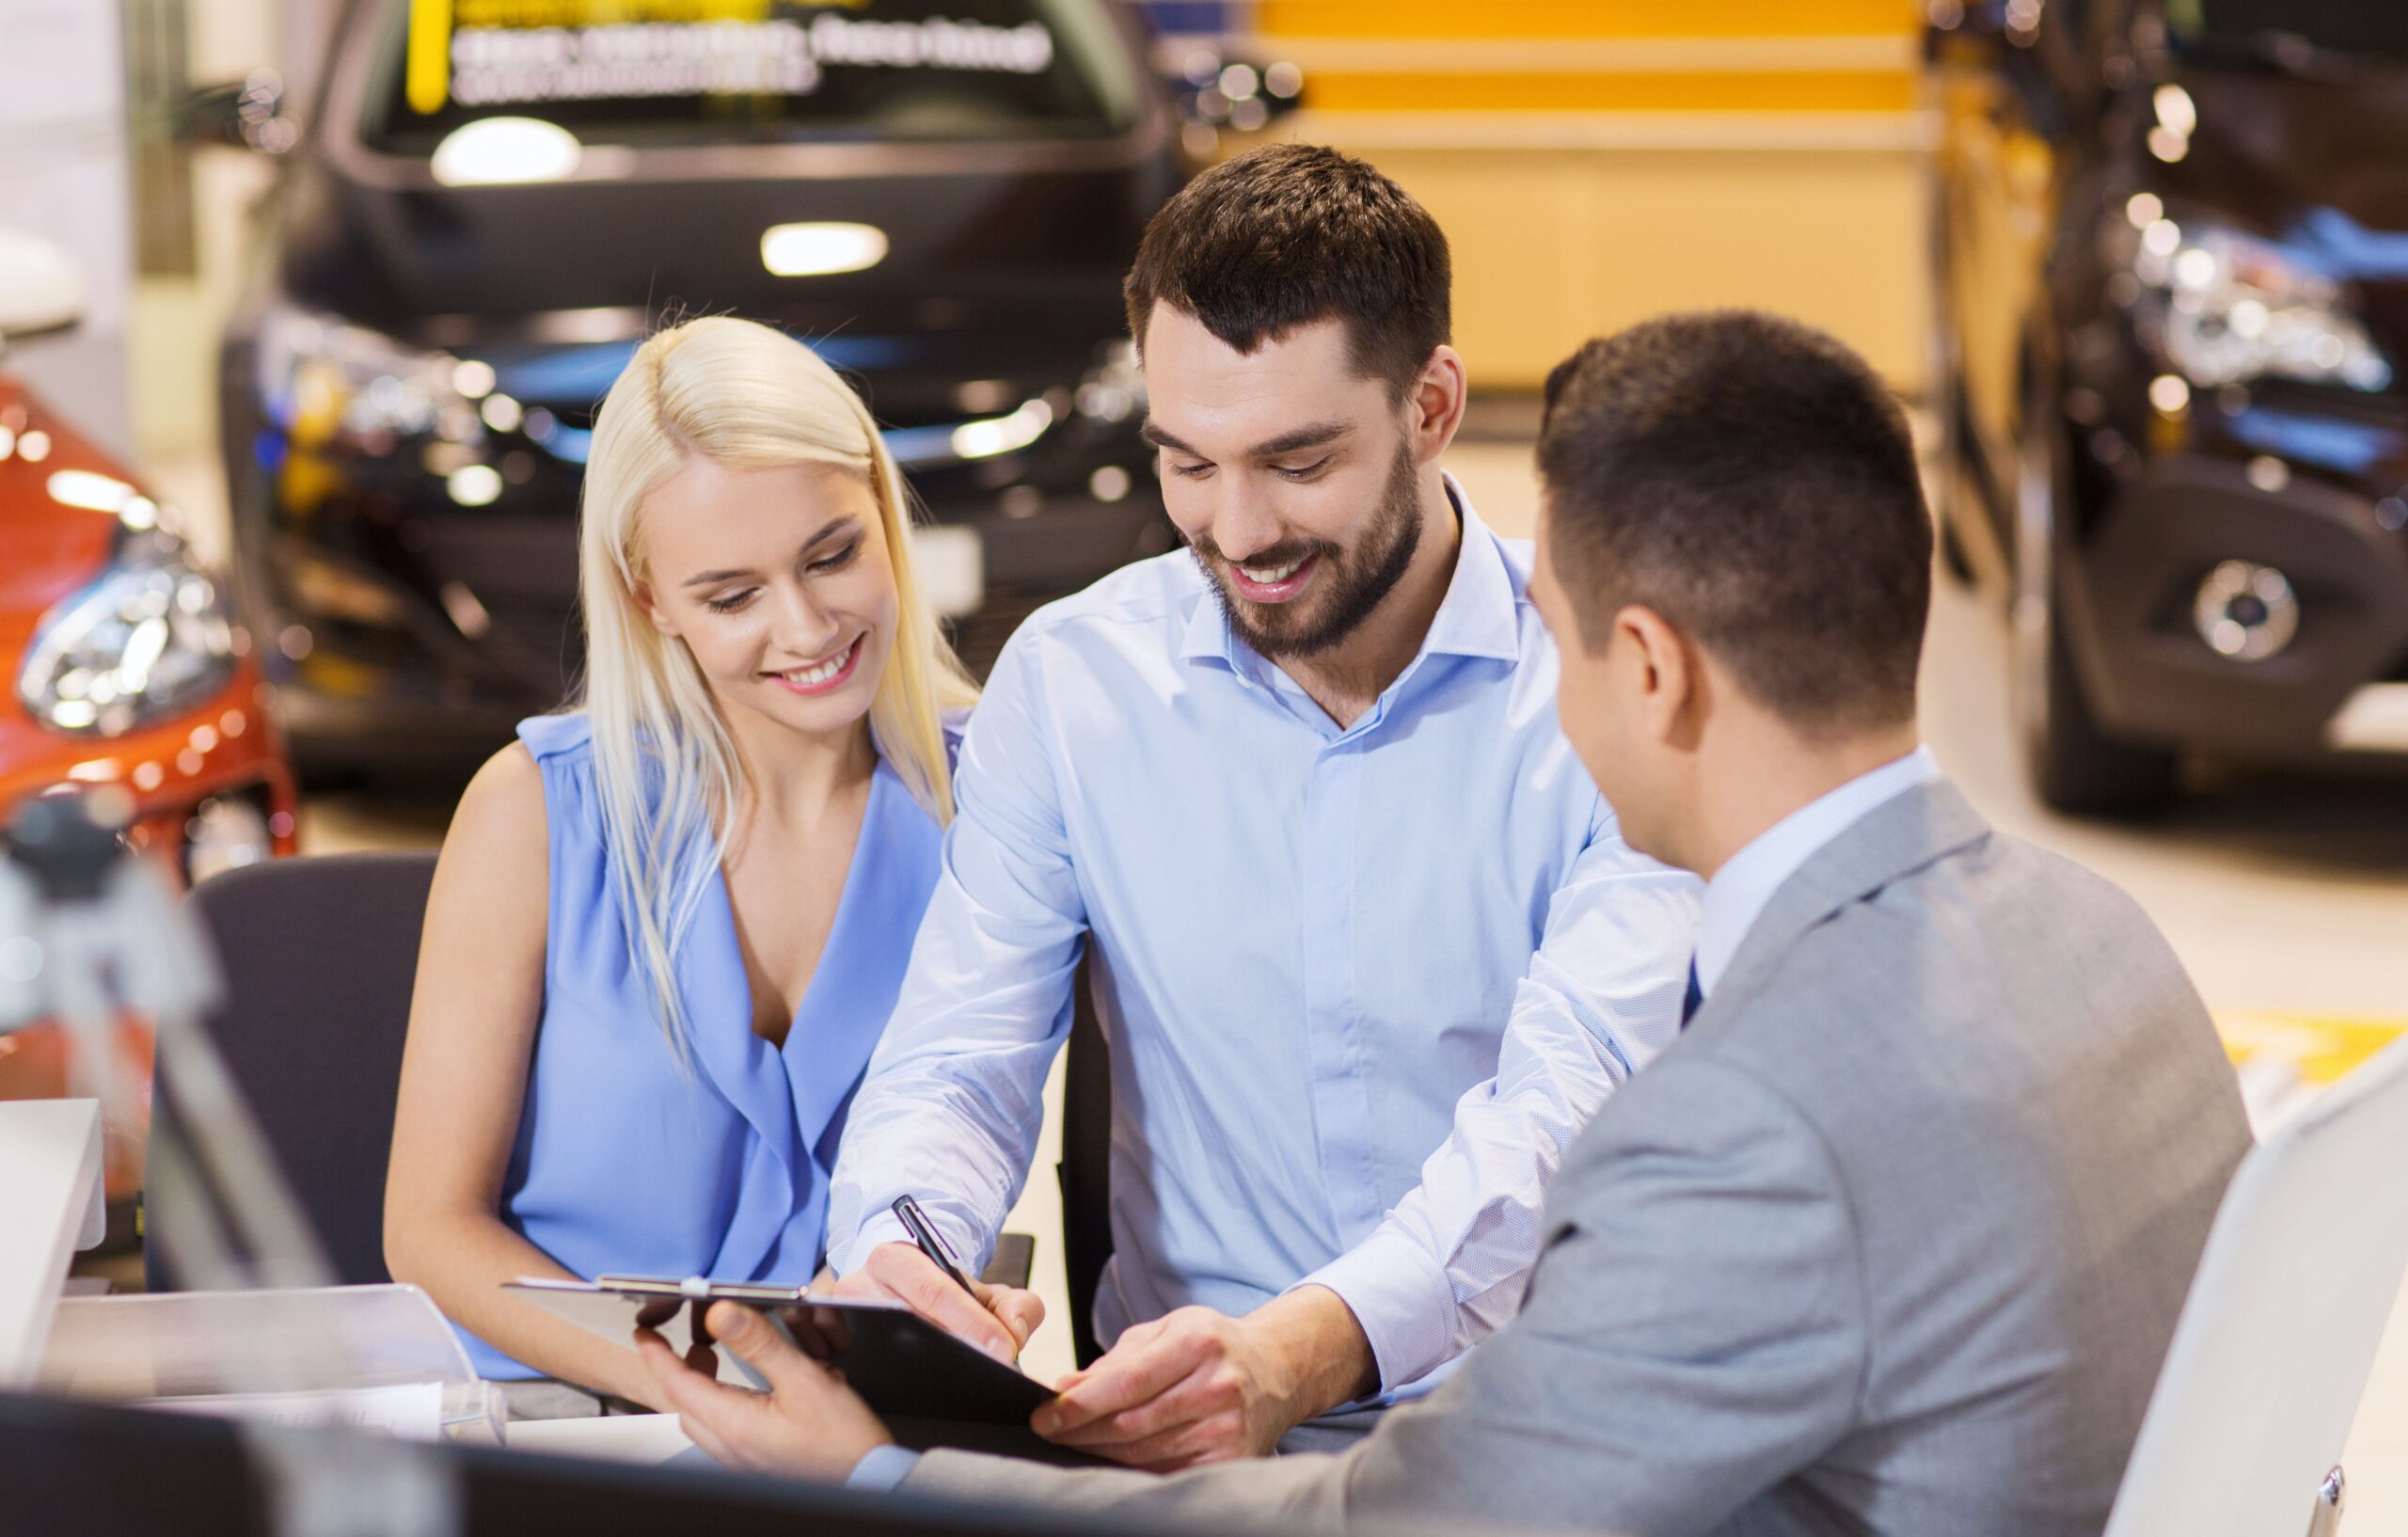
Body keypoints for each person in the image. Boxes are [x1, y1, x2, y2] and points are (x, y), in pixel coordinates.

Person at [638, 309, 2255, 1537]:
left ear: (1656, 667)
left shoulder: (1743, 1127)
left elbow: (1407, 1521)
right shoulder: (2100, 936)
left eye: (1553, 639)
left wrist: (890, 1475)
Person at [819, 142, 1701, 1464]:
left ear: (1434, 406)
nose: (1236, 531)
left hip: (1536, 1440)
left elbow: (1565, 1119)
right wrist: (905, 1253)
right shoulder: (1071, 685)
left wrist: (1300, 1349)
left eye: (1297, 460)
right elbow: (961, 1059)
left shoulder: (1608, 691)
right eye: (1188, 462)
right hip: (1185, 1449)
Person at [383, 316, 979, 1418]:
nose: (804, 627)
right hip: (567, 1415)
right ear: (651, 598)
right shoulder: (534, 814)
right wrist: (694, 1395)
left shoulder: (995, 804)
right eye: (731, 594)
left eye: (833, 554)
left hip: (872, 1437)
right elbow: (429, 1228)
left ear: (885, 525)